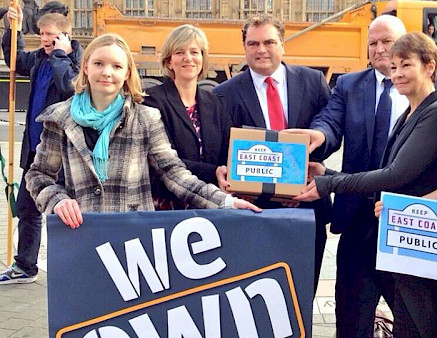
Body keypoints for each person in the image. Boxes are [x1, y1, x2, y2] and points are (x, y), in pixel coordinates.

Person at [295, 32, 437, 337]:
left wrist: (329, 183)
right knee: (353, 322)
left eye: (404, 65)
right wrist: (326, 170)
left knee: (417, 323)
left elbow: (395, 175)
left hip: (412, 236)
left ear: (430, 66)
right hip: (366, 225)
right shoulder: (410, 112)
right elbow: (381, 168)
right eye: (393, 67)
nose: (396, 74)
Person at [25, 33, 261, 229]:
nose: (107, 72)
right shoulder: (59, 118)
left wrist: (226, 202)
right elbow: (38, 175)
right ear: (85, 67)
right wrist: (57, 200)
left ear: (127, 73)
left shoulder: (145, 119)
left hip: (135, 239)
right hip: (81, 234)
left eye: (116, 66)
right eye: (99, 64)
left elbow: (175, 174)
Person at [212, 14, 332, 295]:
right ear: (244, 48)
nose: (261, 50)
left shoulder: (313, 82)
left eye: (268, 42)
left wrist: (318, 144)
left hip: (307, 208)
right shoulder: (224, 93)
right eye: (253, 43)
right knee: (255, 296)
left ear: (283, 44)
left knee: (302, 295)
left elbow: (331, 130)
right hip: (254, 212)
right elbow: (222, 152)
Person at [0, 6, 81, 284]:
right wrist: (14, 29)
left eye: (51, 35)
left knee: (64, 213)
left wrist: (62, 53)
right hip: (35, 152)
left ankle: (74, 271)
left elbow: (70, 85)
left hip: (64, 155)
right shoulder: (39, 59)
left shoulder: (74, 61)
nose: (45, 39)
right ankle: (25, 266)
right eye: (43, 34)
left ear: (65, 36)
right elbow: (16, 59)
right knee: (27, 208)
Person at [143, 25, 232, 209]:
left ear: (202, 58)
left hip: (212, 204)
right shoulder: (152, 101)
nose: (188, 58)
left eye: (194, 52)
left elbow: (228, 152)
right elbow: (163, 161)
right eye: (180, 52)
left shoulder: (215, 103)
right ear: (169, 61)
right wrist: (213, 172)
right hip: (168, 206)